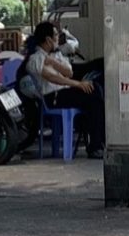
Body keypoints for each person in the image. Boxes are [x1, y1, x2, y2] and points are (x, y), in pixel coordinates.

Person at [20, 19, 104, 157]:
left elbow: (69, 73)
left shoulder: (56, 55)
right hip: (53, 97)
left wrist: (53, 62)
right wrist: (78, 84)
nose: (58, 38)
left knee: (95, 90)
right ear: (48, 39)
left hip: (64, 92)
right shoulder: (35, 59)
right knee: (93, 93)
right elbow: (52, 78)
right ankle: (95, 146)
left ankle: (98, 142)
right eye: (55, 35)